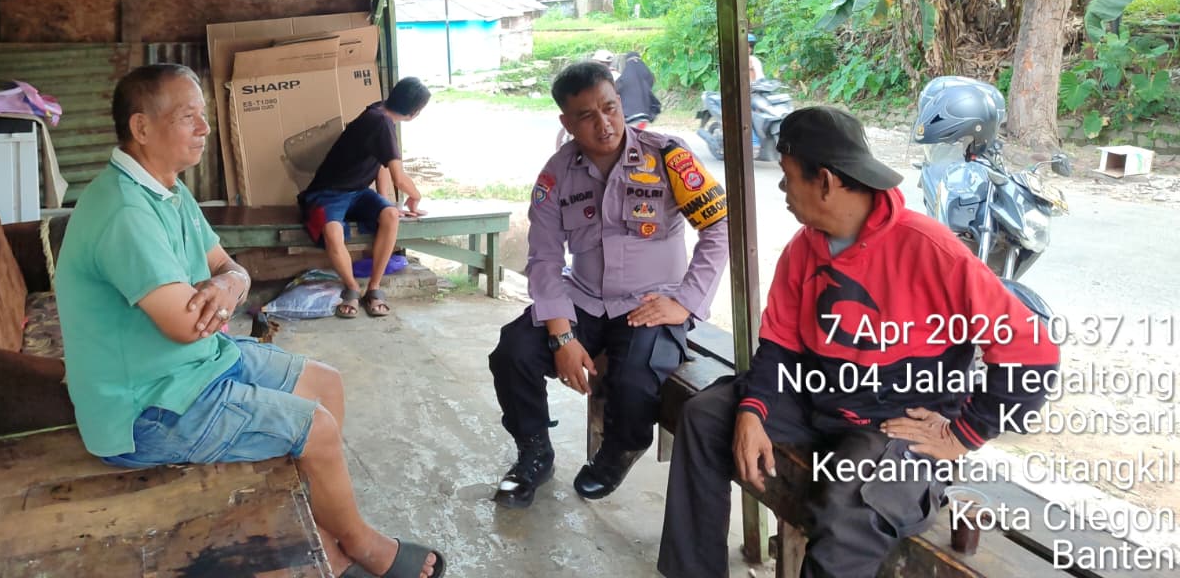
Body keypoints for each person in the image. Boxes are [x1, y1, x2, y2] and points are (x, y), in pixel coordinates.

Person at [55, 64, 444, 578]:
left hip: (196, 366)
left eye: (203, 115)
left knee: (326, 384)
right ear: (141, 127)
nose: (204, 128)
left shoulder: (168, 189)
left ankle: (322, 529)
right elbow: (188, 325)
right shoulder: (125, 210)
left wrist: (227, 285)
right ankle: (355, 545)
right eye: (188, 117)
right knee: (316, 429)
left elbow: (228, 267)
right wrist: (227, 288)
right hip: (147, 409)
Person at [657, 106, 1059, 578]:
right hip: (815, 399)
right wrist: (752, 411)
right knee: (706, 416)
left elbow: (1033, 353)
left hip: (894, 424)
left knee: (850, 507)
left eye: (788, 176)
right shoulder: (803, 250)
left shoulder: (931, 250)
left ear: (825, 181)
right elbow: (780, 344)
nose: (782, 189)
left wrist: (963, 434)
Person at [490, 60, 730, 509]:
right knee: (513, 351)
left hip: (651, 301)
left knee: (635, 378)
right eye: (586, 115)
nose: (604, 124)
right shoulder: (557, 174)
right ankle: (534, 453)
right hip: (583, 298)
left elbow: (719, 228)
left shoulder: (667, 157)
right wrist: (562, 336)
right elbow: (544, 258)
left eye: (610, 108)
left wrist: (685, 301)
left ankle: (620, 449)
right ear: (567, 122)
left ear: (620, 102)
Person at [299, 77, 430, 319]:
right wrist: (416, 195)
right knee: (332, 232)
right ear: (414, 113)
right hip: (327, 192)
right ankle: (351, 288)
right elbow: (399, 178)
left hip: (358, 192)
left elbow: (382, 163)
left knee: (390, 215)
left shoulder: (378, 110)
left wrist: (385, 202)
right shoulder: (381, 122)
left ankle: (374, 288)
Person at [615, 50, 661, 125]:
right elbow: (651, 82)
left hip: (628, 116)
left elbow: (616, 90)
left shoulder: (624, 77)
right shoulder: (646, 72)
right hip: (645, 114)